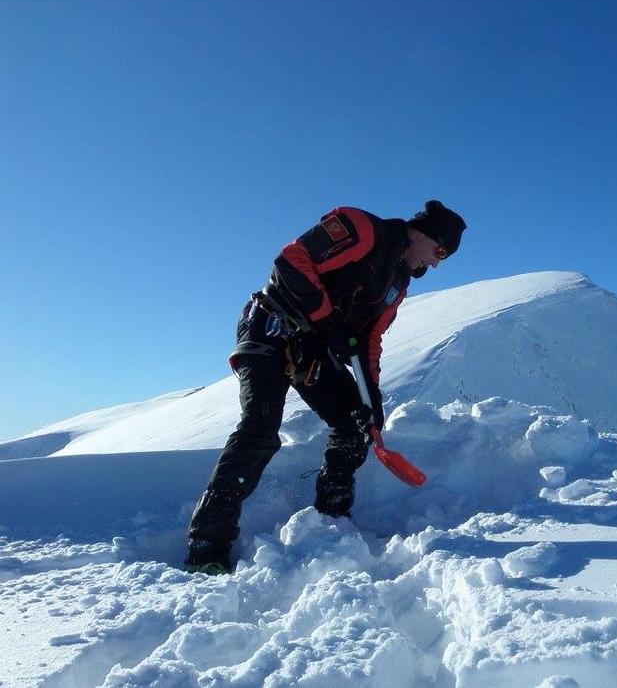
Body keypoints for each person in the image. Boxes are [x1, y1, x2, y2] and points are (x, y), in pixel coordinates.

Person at [184, 200, 467, 574]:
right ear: (420, 232)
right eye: (440, 251)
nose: (435, 263)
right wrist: (329, 322)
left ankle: (331, 521)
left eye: (443, 259)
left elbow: (369, 341)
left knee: (354, 423)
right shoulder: (361, 228)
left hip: (311, 349)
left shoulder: (396, 286)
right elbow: (290, 262)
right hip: (272, 328)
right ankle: (208, 544)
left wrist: (371, 395)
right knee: (261, 428)